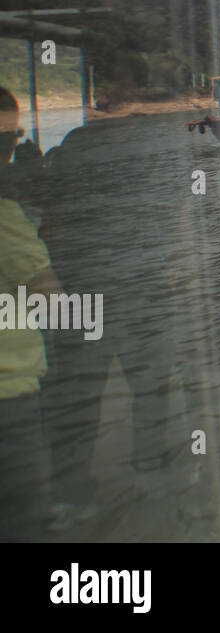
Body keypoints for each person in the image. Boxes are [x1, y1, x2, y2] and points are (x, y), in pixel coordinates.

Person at [0, 85, 58, 540]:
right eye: (8, 142)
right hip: (10, 392)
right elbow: (52, 302)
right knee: (29, 517)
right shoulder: (5, 220)